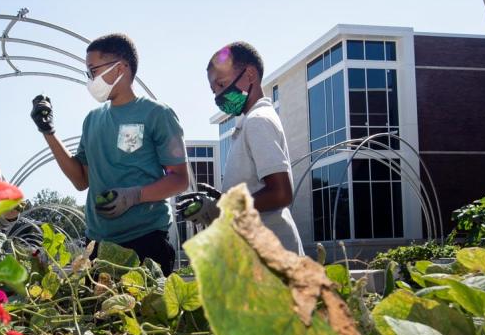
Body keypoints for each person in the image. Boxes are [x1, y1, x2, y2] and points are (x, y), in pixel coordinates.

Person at [30, 34, 189, 273]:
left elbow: (180, 179)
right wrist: (48, 132)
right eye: (88, 72)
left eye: (93, 70)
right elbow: (80, 181)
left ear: (120, 68)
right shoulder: (92, 120)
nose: (91, 79)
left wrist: (134, 196)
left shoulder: (157, 114)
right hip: (97, 244)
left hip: (146, 242)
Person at [183, 41, 303, 256]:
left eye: (221, 84)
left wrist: (221, 209)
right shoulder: (249, 123)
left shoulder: (258, 121)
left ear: (250, 74)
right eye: (214, 90)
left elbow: (281, 193)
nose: (218, 96)